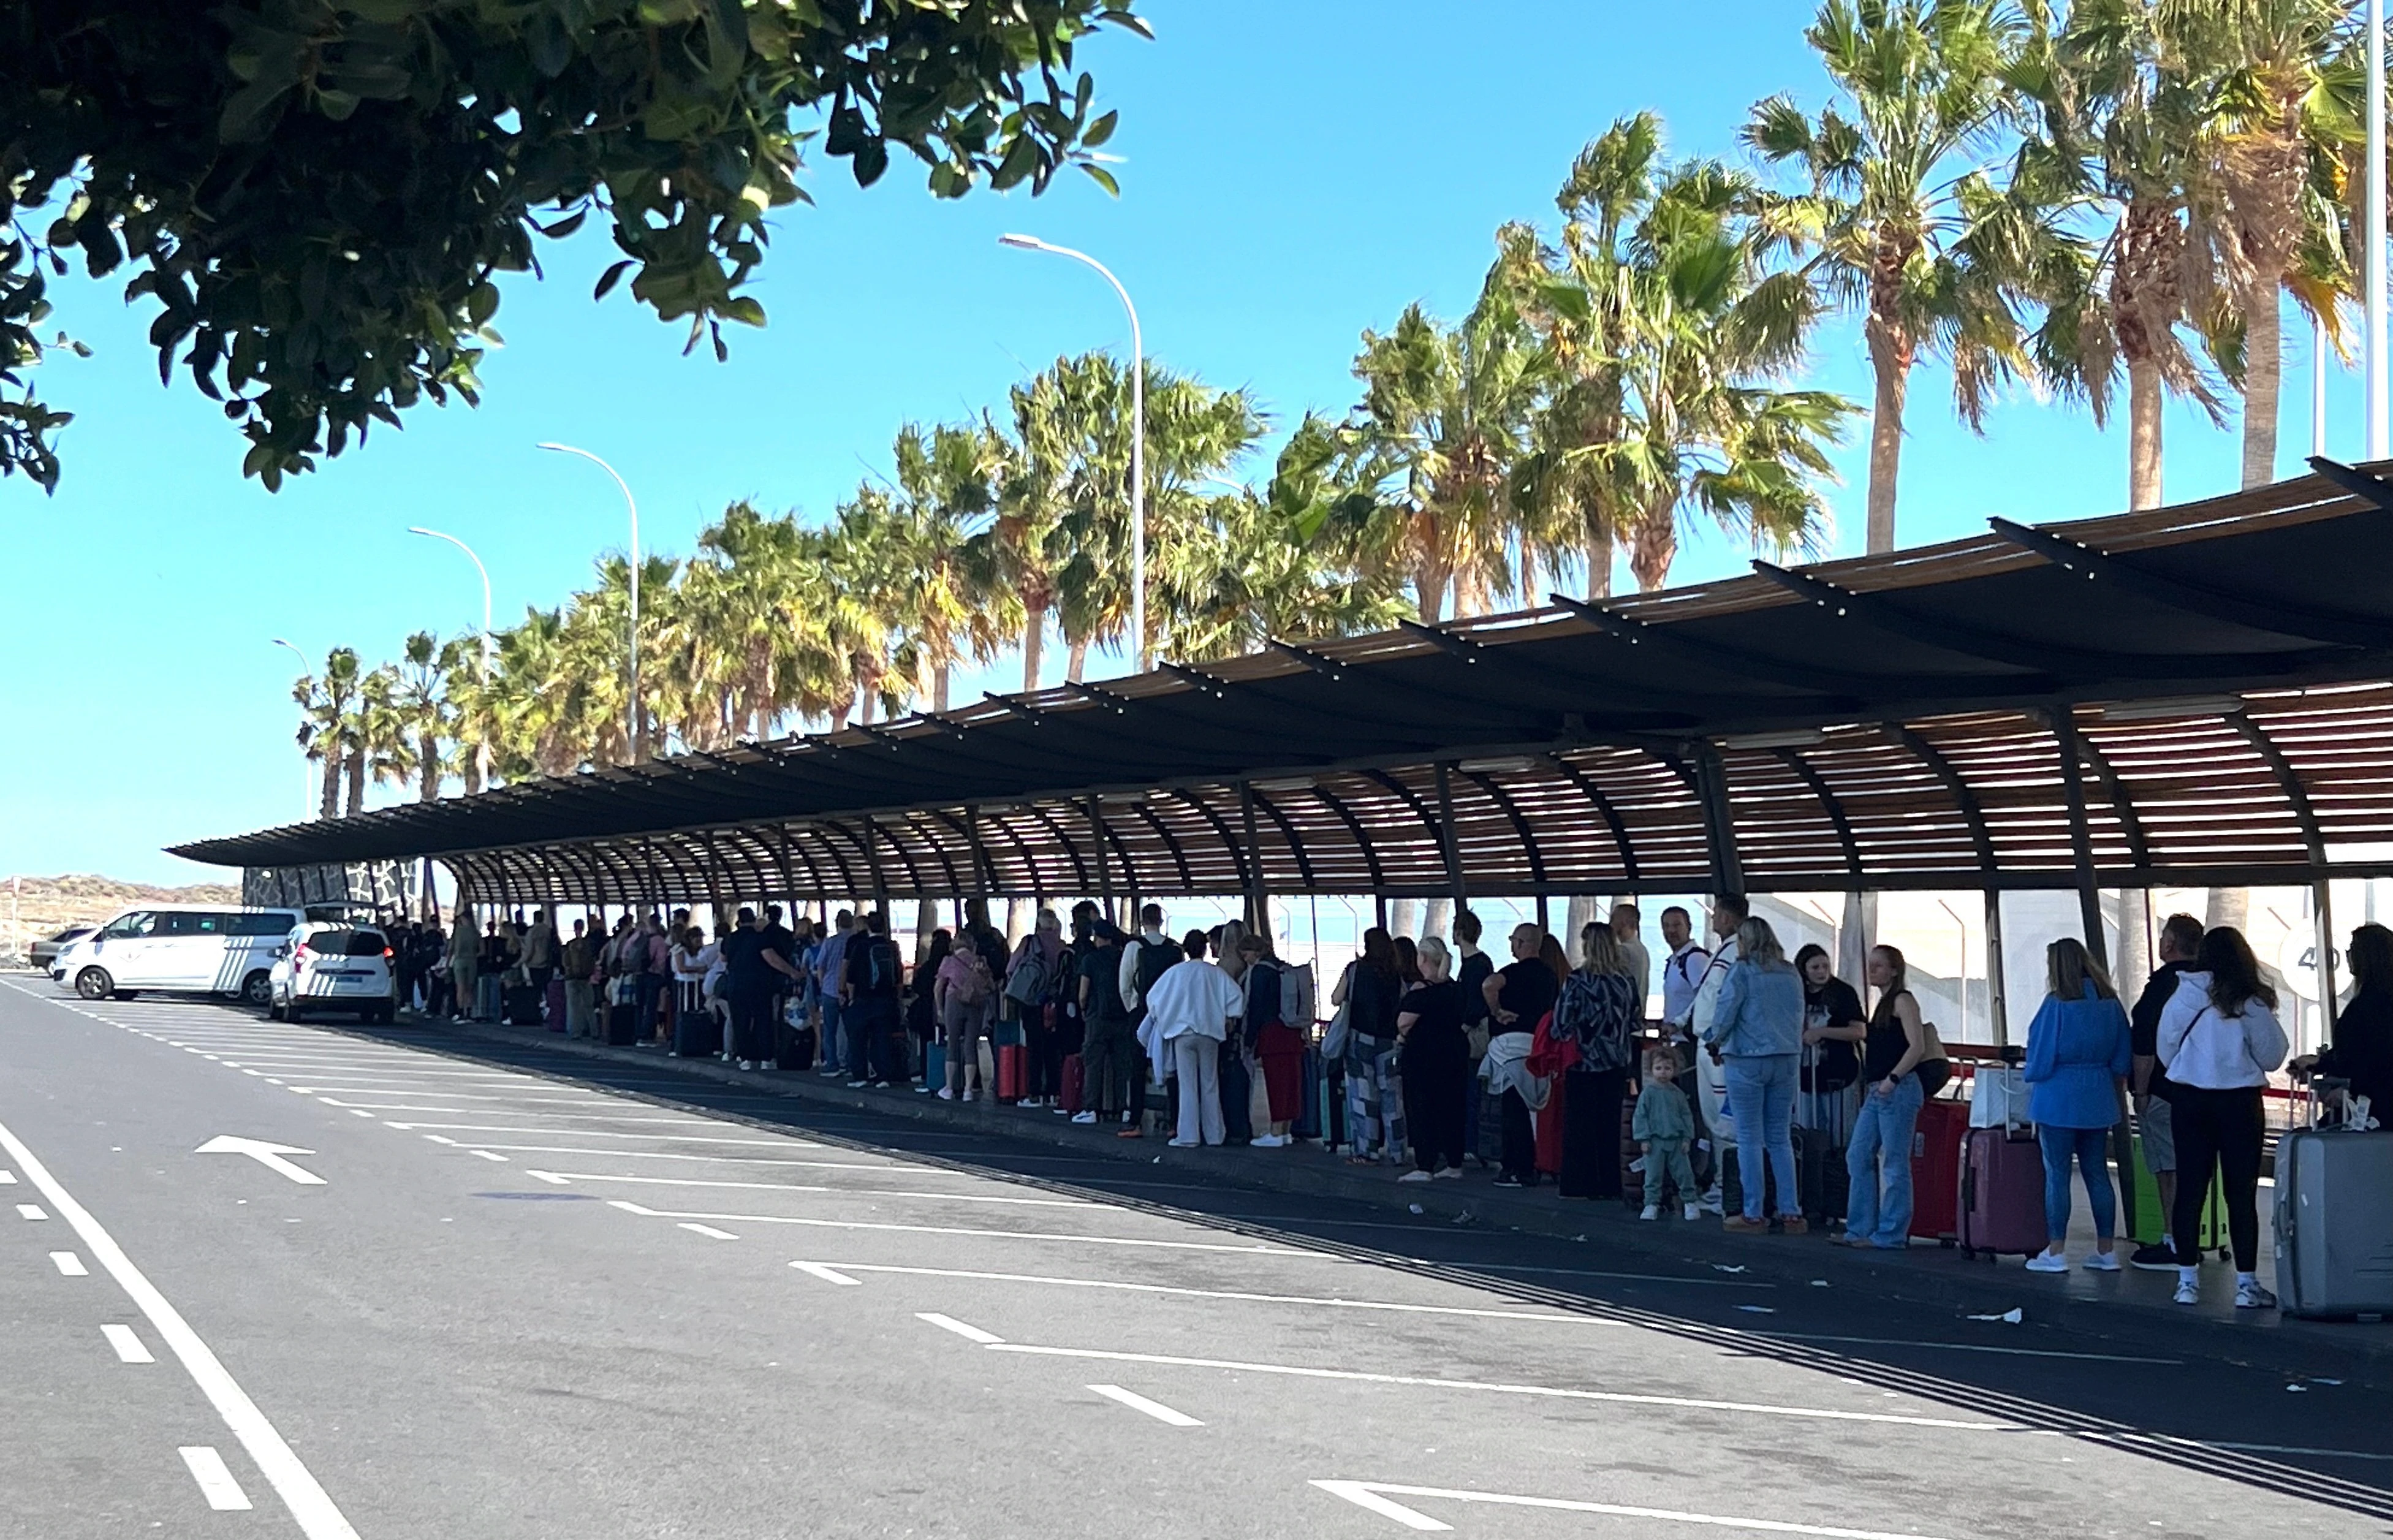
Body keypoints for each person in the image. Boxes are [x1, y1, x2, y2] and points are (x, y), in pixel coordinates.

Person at [2156, 926, 2289, 1309]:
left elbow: (2166, 1048)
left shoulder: (2183, 996)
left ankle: (2186, 1281)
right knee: (2241, 1193)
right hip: (2239, 1104)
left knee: (2191, 1190)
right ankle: (2247, 1285)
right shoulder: (2249, 1001)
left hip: (2189, 1100)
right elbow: (2272, 1055)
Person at [2022, 936, 2133, 1273]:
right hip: (2098, 1096)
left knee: (2056, 1174)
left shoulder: (2056, 1004)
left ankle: (2056, 1252)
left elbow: (2039, 1059)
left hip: (2058, 1097)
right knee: (2097, 1173)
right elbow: (2121, 1058)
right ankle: (2106, 1251)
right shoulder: (2110, 1003)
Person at [1704, 915, 1804, 1235]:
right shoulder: (1791, 973)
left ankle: (1753, 1213)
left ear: (1745, 941)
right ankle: (1791, 1212)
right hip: (1786, 1058)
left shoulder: (1742, 971)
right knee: (1780, 1137)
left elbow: (1726, 1012)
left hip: (1747, 1060)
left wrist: (1714, 1040)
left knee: (1749, 1138)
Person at [2125, 912, 2203, 1270]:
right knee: (2190, 1164)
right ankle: (2187, 1237)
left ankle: (2174, 1240)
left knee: (2167, 1168)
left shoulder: (2160, 987)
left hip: (2162, 1090)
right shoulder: (2206, 984)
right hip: (2201, 1091)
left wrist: (2141, 1092)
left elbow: (2145, 1044)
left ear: (2169, 944)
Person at [1840, 944, 1932, 1249]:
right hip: (1880, 1087)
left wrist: (1894, 1078)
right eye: (1871, 965)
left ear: (1894, 970)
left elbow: (1916, 1046)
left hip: (1896, 1087)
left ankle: (1890, 1233)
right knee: (1859, 1154)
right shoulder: (1883, 1004)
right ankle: (1862, 1227)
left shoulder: (1903, 1001)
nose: (1872, 971)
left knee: (1893, 1162)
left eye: (1879, 966)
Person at [1554, 923, 1641, 1200]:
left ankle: (1580, 1183)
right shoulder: (1626, 980)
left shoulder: (1577, 980)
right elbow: (1635, 1020)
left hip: (1584, 1062)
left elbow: (1562, 1024)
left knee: (1580, 1125)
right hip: (1616, 1061)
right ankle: (1610, 1183)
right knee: (1610, 1124)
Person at [1139, 929, 1245, 1148]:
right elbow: (1237, 998)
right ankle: (1215, 1135)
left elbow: (1154, 999)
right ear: (1205, 949)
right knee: (1210, 1084)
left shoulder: (1175, 973)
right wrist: (1227, 1016)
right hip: (1210, 1033)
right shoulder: (1215, 974)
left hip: (1182, 1034)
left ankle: (1188, 1136)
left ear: (1185, 949)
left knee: (1187, 1086)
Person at [1482, 923, 1560, 1188]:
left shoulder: (1512, 973)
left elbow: (1489, 984)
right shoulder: (1550, 976)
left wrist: (1496, 1011)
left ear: (1521, 943)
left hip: (1510, 1046)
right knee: (1532, 1107)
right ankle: (1531, 1164)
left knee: (1511, 1109)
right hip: (1537, 1045)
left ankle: (1517, 1167)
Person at [2298, 922, 2393, 1119]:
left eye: (2353, 949)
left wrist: (2323, 1064)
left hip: (2375, 1107)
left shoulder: (2368, 1004)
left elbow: (2360, 1057)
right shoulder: (2378, 1000)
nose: (2348, 954)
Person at [1396, 935, 1470, 1181]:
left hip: (1423, 1057)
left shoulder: (1421, 991)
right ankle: (1454, 1162)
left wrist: (1402, 1036)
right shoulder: (1454, 988)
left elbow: (1404, 1023)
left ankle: (1425, 1164)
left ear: (1423, 958)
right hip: (1454, 1054)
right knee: (1451, 1109)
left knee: (1421, 1108)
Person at [1333, 927, 1406, 1166]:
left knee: (1363, 1098)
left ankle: (1367, 1151)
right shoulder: (1396, 973)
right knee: (1392, 1097)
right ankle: (1397, 1151)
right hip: (1389, 1042)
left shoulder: (1355, 970)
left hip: (1360, 1039)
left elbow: (1336, 998)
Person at [1117, 905, 1185, 1139]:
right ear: (1162, 921)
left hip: (1142, 1013)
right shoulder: (1175, 949)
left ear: (1143, 922)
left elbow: (1125, 985)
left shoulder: (1134, 947)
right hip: (1170, 1015)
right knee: (1173, 1069)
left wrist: (1133, 1010)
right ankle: (1175, 1121)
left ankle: (1135, 1121)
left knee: (1136, 1069)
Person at [1794, 943, 1866, 1148]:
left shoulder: (1843, 993)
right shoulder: (1798, 993)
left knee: (1841, 1134)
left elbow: (1859, 1031)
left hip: (1839, 1075)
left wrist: (1821, 1033)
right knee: (1807, 1133)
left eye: (1825, 966)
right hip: (1806, 1077)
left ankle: (1838, 1172)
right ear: (1804, 970)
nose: (1822, 972)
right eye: (1815, 968)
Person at [1240, 930, 1306, 1147]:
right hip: (1292, 1031)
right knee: (1290, 1085)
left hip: (1272, 1034)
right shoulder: (1283, 968)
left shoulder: (1260, 972)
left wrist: (1249, 1040)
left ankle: (1275, 1133)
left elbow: (1256, 1008)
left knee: (1276, 1084)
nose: (1245, 959)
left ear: (1254, 952)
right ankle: (1285, 1130)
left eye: (1246, 954)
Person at [720, 908, 802, 1070]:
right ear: (754, 920)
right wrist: (793, 972)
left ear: (739, 920)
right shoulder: (760, 938)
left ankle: (745, 1058)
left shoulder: (730, 939)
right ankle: (766, 1058)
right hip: (758, 984)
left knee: (740, 1021)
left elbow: (723, 958)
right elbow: (772, 959)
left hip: (735, 984)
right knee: (763, 1020)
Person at [1005, 909, 1071, 1109]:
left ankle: (1034, 1093)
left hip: (1031, 1001)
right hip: (1053, 1003)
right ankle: (1053, 1093)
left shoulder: (1030, 942)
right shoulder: (1062, 947)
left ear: (1039, 924)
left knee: (1034, 1046)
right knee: (1053, 1047)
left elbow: (1011, 968)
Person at [1074, 916, 1136, 1128]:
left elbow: (1083, 993)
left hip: (1097, 1017)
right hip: (1121, 1017)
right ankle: (1124, 1108)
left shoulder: (1090, 960)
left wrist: (1084, 1010)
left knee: (1093, 1064)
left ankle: (1091, 1109)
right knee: (1122, 1065)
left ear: (1097, 938)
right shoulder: (1122, 958)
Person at [1634, 1044, 1702, 1221]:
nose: (1663, 1072)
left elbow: (1687, 1116)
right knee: (1653, 1175)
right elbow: (1640, 1116)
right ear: (1651, 1070)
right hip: (1655, 1141)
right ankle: (1651, 1204)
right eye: (1658, 1068)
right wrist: (1643, 1138)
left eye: (1667, 1068)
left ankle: (1690, 1202)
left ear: (1674, 1070)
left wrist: (1687, 1137)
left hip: (1677, 1140)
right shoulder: (1647, 1093)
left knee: (1684, 1174)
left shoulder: (1678, 1094)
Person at [847, 911, 906, 1088]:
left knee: (858, 1039)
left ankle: (860, 1076)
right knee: (882, 1038)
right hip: (887, 999)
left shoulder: (861, 946)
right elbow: (899, 974)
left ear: (868, 926)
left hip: (864, 999)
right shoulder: (891, 946)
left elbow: (851, 976)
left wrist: (851, 998)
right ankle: (883, 1076)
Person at [936, 930, 996, 1100]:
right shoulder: (980, 962)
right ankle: (968, 1090)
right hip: (977, 1004)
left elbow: (939, 986)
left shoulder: (949, 961)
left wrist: (940, 1008)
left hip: (954, 1002)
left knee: (953, 1044)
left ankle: (949, 1087)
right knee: (970, 1045)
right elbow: (991, 986)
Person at [814, 911, 855, 1079]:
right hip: (849, 989)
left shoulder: (830, 943)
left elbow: (821, 966)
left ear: (837, 923)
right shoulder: (854, 942)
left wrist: (822, 983)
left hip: (830, 988)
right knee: (850, 1029)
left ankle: (832, 1064)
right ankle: (849, 1062)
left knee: (830, 1030)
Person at [909, 928, 950, 1090]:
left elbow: (917, 987)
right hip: (951, 1006)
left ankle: (929, 1076)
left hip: (927, 1008)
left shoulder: (927, 967)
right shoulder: (952, 963)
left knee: (929, 1043)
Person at [1658, 906, 1708, 1028]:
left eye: (1677, 925)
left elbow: (1706, 1000)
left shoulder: (1695, 959)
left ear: (1689, 927)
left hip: (1689, 1041)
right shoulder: (1675, 961)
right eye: (1667, 926)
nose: (1671, 931)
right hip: (1675, 1039)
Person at [1610, 903, 1651, 1015]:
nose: (1611, 924)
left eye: (1613, 919)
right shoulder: (1642, 950)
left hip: (1625, 1018)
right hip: (1637, 1018)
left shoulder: (1624, 951)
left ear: (1624, 922)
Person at [447, 905, 480, 1020]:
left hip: (459, 960)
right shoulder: (476, 933)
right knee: (470, 988)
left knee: (460, 987)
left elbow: (450, 949)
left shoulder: (457, 932)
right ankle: (469, 1013)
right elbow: (482, 951)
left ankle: (460, 1012)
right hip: (472, 961)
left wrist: (447, 963)